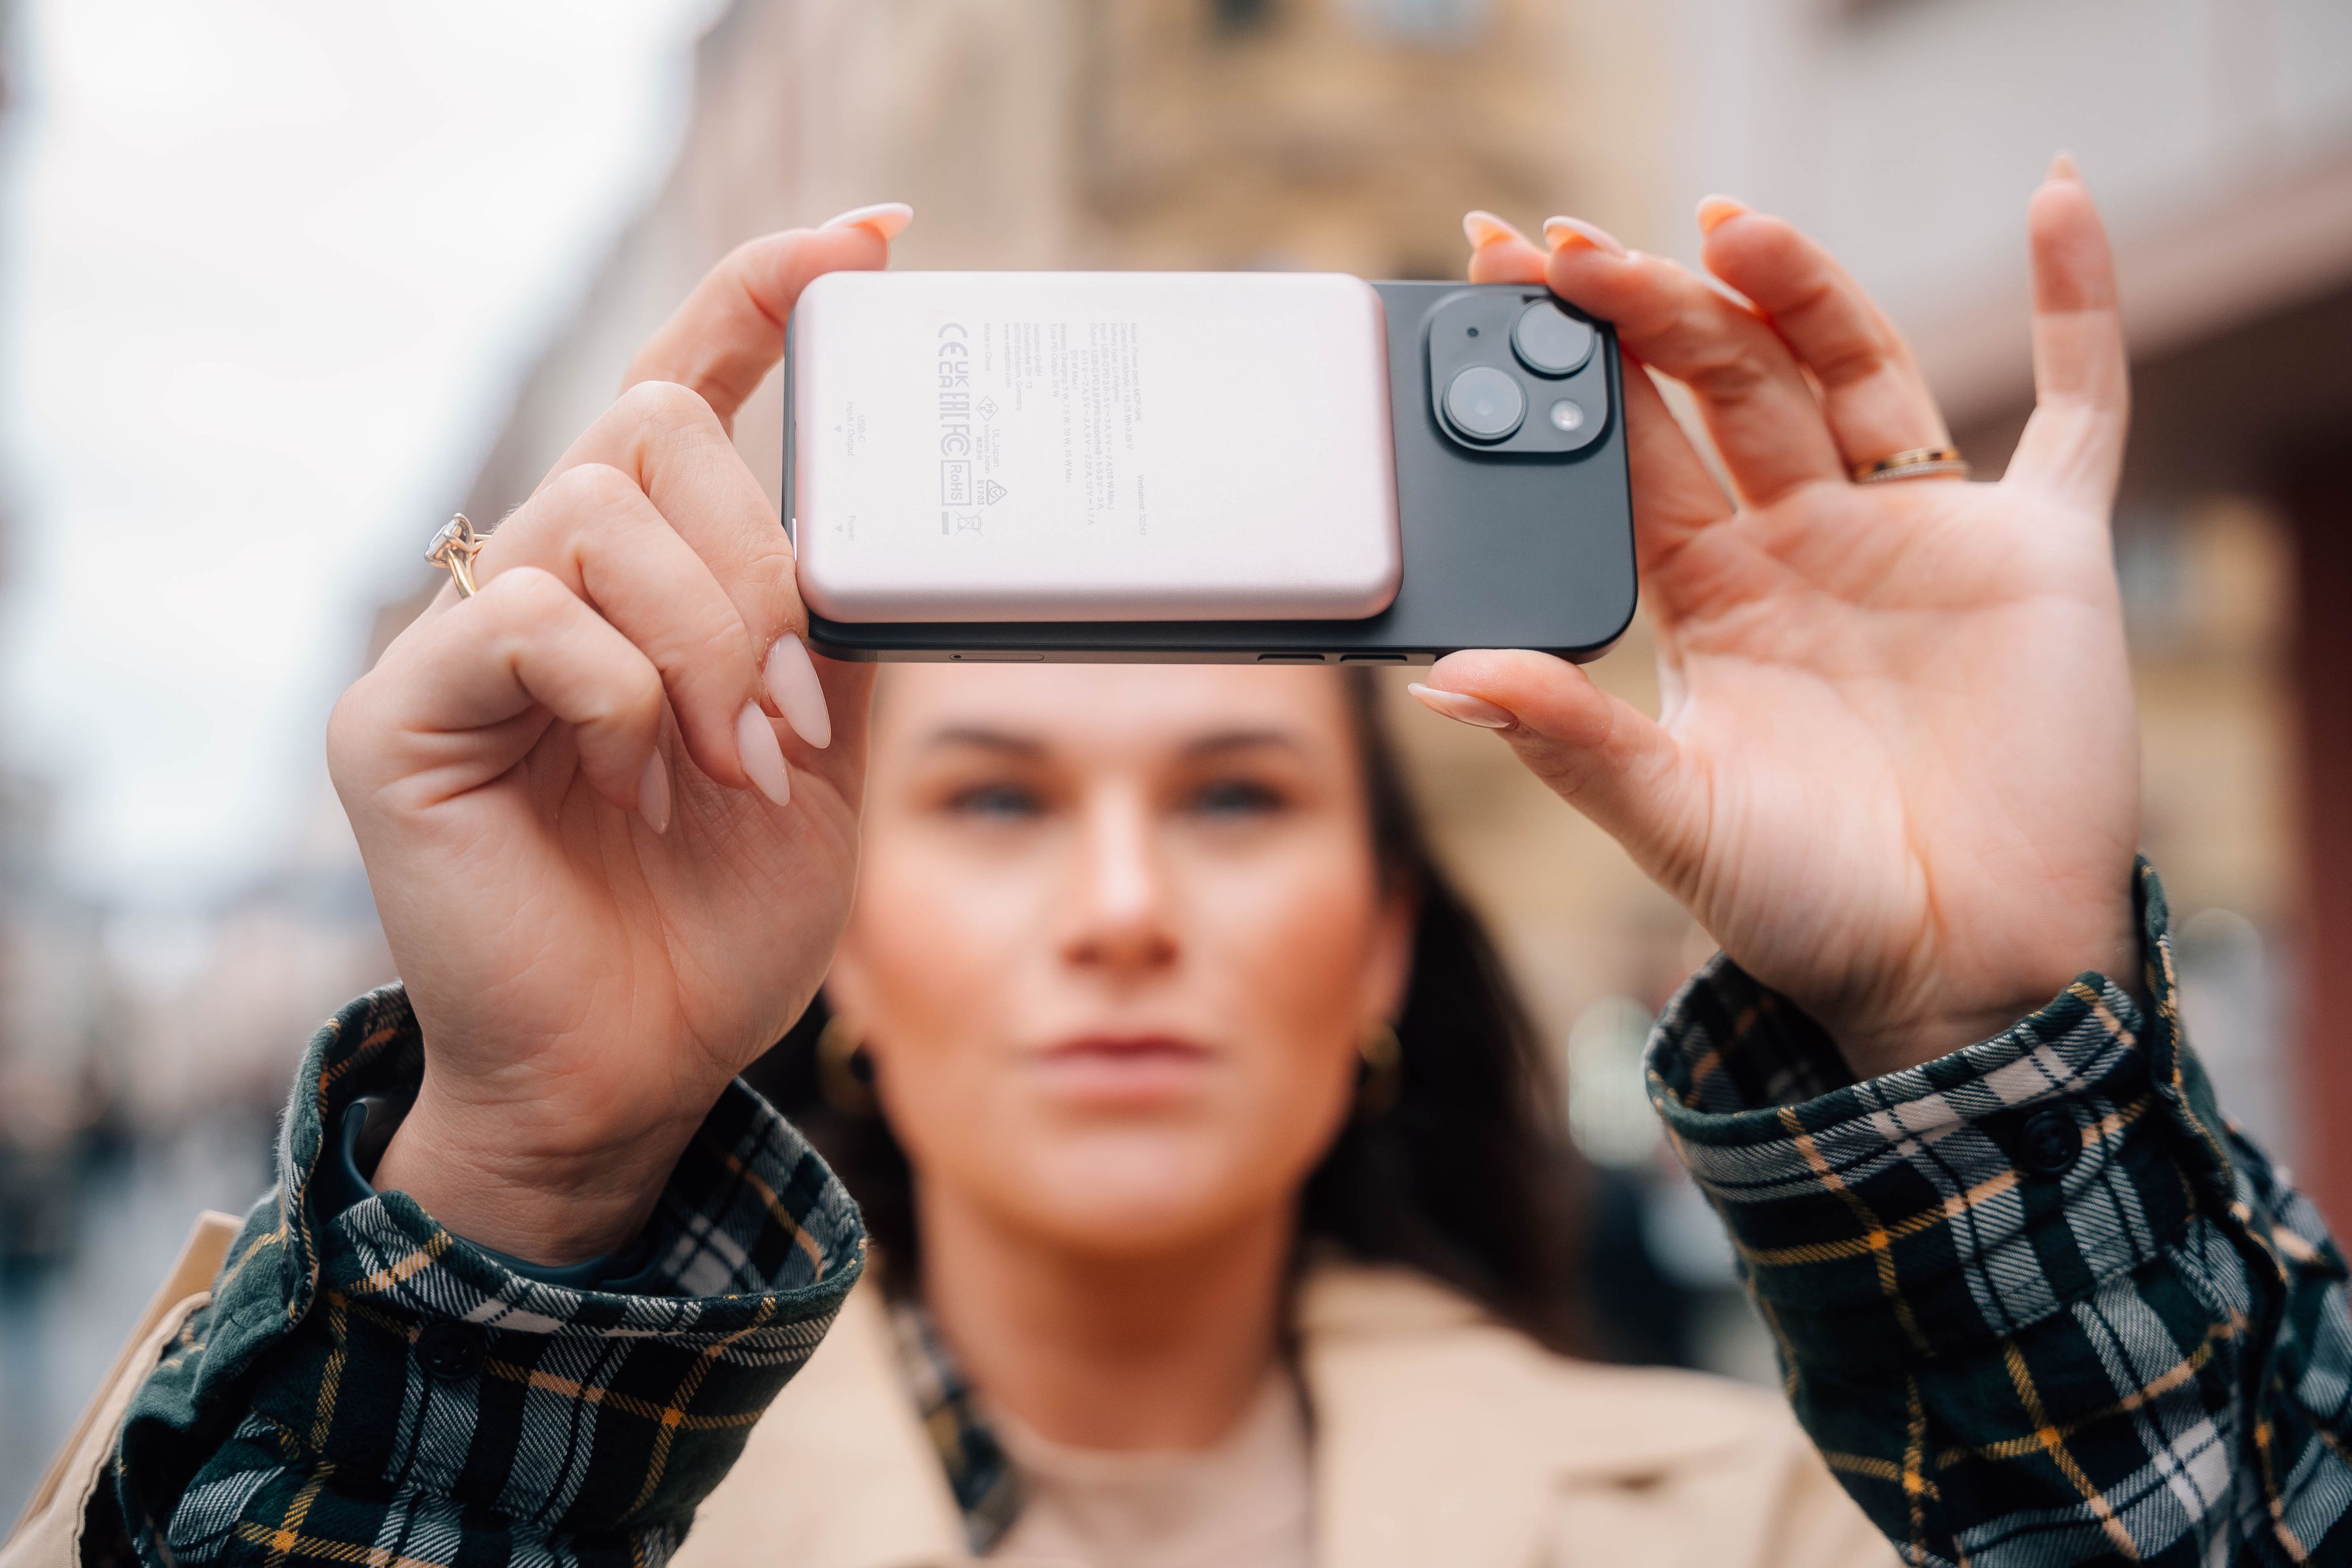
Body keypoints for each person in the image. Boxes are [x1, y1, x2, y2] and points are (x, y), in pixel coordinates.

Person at [8, 163, 2347, 1568]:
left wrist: (1981, 1033)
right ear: (850, 970)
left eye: (1237, 797)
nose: (1123, 901)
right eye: (998, 798)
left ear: (1380, 954)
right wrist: (525, 1162)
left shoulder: (1788, 1522)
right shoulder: (541, 1496)